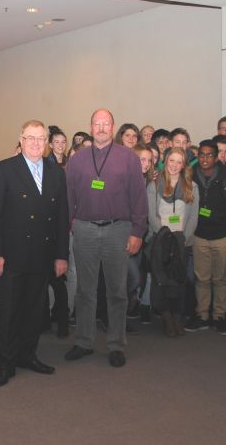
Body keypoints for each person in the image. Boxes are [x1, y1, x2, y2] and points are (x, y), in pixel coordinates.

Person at [0, 119, 69, 387]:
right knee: (9, 310)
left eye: (40, 138)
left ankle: (27, 354)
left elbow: (61, 217)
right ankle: (6, 362)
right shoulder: (5, 170)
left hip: (43, 253)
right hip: (13, 253)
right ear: (20, 140)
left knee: (35, 310)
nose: (35, 143)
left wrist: (61, 255)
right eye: (30, 138)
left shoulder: (56, 173)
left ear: (46, 143)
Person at [64, 109, 147, 367]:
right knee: (85, 290)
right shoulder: (77, 160)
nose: (101, 128)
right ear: (90, 127)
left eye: (106, 124)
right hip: (85, 229)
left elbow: (139, 198)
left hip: (117, 229)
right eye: (96, 124)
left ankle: (115, 344)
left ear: (113, 128)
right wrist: (72, 225)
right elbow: (68, 197)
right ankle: (84, 341)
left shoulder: (128, 158)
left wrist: (137, 232)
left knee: (117, 291)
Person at [187, 140, 226, 335]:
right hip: (199, 236)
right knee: (201, 278)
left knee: (220, 279)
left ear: (216, 156)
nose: (204, 158)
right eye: (201, 154)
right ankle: (202, 315)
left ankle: (219, 316)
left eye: (209, 154)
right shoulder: (190, 176)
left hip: (222, 236)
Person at [146, 147, 199, 337]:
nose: (175, 165)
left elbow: (193, 216)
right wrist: (164, 237)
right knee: (161, 281)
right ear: (165, 161)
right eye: (171, 161)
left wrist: (183, 238)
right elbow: (151, 215)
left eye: (179, 162)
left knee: (178, 280)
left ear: (184, 165)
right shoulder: (154, 185)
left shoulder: (192, 187)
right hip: (160, 241)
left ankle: (177, 315)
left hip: (181, 242)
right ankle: (166, 317)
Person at [132, 144, 155, 324]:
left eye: (149, 160)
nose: (146, 163)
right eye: (142, 159)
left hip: (146, 236)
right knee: (130, 276)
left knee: (140, 275)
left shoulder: (151, 182)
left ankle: (132, 312)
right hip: (128, 235)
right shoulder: (126, 180)